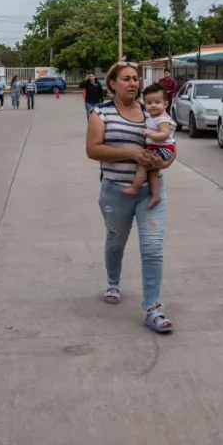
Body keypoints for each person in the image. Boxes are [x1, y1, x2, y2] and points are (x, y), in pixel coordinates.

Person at [85, 62, 175, 334]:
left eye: (135, 78)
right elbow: (93, 150)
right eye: (126, 79)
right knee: (116, 241)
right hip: (116, 191)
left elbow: (169, 144)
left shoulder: (152, 109)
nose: (133, 83)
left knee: (152, 248)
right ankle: (113, 281)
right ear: (112, 83)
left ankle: (153, 308)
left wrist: (164, 162)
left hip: (151, 191)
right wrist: (132, 153)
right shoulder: (101, 113)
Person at [121, 83, 175, 209]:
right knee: (153, 172)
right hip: (157, 148)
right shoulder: (153, 116)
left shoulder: (162, 119)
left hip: (164, 148)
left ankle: (135, 187)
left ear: (165, 104)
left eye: (157, 102)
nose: (153, 105)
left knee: (142, 164)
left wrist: (150, 134)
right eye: (149, 103)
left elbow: (165, 135)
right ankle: (156, 195)